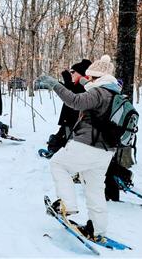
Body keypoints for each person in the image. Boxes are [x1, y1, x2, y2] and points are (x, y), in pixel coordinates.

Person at [43, 55, 120, 239]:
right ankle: (98, 229)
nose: (89, 79)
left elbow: (75, 101)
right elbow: (89, 86)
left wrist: (54, 84)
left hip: (88, 145)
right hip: (107, 151)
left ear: (96, 77)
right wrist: (85, 80)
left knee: (58, 164)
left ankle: (67, 205)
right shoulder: (114, 93)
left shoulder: (98, 92)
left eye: (91, 77)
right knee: (94, 189)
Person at [45, 59, 92, 156]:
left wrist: (66, 82)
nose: (71, 74)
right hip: (69, 120)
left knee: (70, 142)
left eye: (73, 72)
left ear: (81, 73)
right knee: (61, 138)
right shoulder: (77, 84)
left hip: (75, 122)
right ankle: (56, 148)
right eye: (70, 72)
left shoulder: (87, 85)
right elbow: (69, 91)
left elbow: (74, 96)